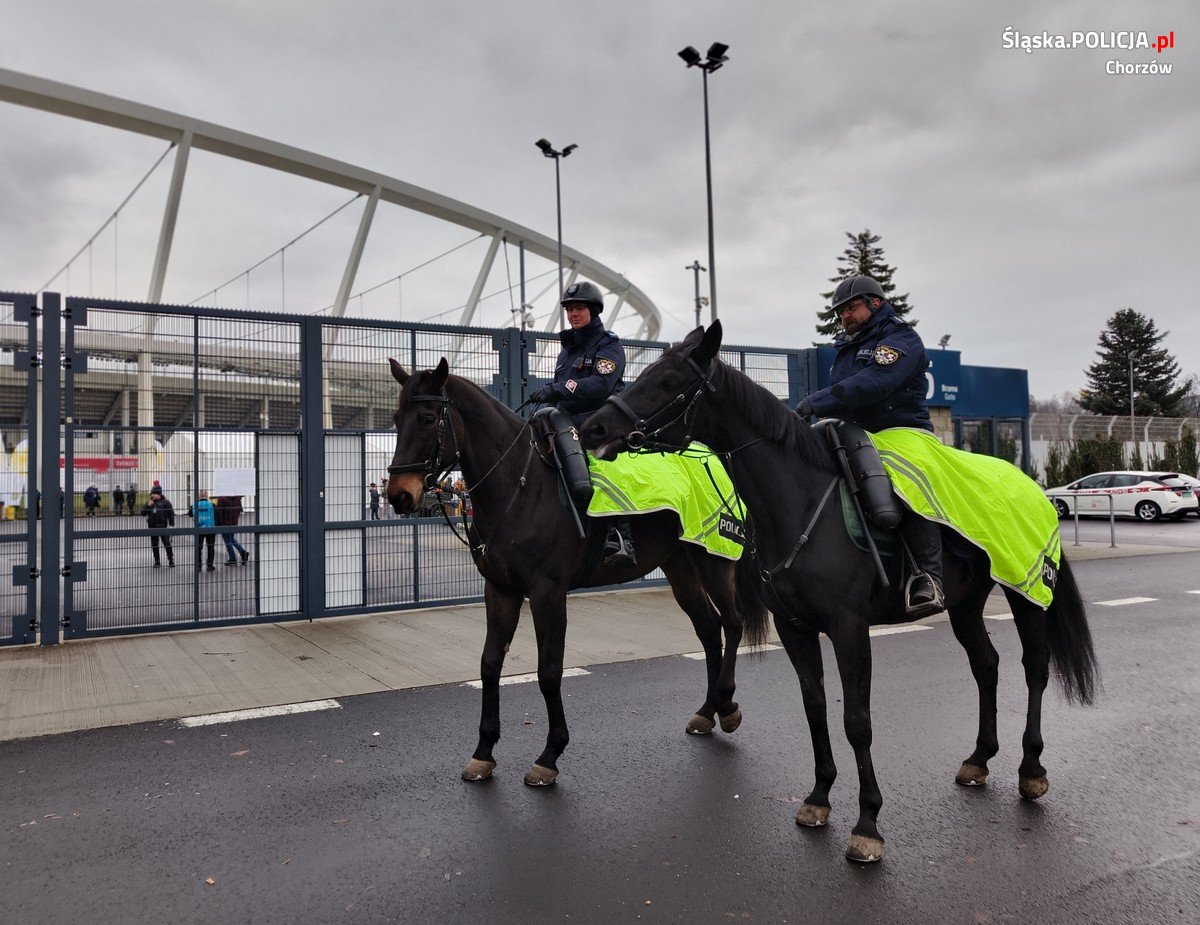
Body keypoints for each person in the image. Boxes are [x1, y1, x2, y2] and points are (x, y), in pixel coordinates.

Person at [796, 274, 943, 617]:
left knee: (908, 477)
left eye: (851, 308)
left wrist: (813, 402)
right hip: (858, 433)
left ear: (875, 304)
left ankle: (927, 576)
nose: (844, 316)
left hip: (903, 431)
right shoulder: (846, 348)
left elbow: (872, 383)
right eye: (840, 312)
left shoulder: (900, 338)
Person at [527, 280, 635, 565]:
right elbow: (562, 390)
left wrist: (556, 389)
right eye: (570, 309)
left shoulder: (608, 344)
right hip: (567, 418)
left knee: (603, 463)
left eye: (579, 308)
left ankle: (621, 536)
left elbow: (601, 385)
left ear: (593, 311)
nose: (573, 314)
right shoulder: (567, 350)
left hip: (600, 419)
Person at [141, 486, 175, 568]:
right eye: (152, 494)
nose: (152, 495)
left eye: (153, 494)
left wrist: (172, 524)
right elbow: (142, 513)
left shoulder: (166, 502)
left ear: (158, 494)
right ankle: (157, 561)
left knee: (167, 543)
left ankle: (171, 560)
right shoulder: (150, 502)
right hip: (152, 527)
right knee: (154, 545)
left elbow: (171, 514)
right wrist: (147, 506)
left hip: (163, 526)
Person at [216, 495, 250, 566]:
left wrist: (219, 525)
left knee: (227, 541)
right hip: (234, 522)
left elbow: (219, 512)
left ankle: (233, 558)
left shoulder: (222, 498)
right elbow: (240, 510)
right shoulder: (236, 498)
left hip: (225, 523)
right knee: (231, 539)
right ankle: (243, 553)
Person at [188, 490, 217, 571]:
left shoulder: (194, 505)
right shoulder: (212, 505)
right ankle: (210, 565)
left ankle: (198, 566)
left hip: (199, 529)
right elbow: (216, 514)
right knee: (210, 547)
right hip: (210, 528)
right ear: (206, 496)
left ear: (199, 496)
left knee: (198, 547)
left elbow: (190, 514)